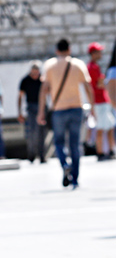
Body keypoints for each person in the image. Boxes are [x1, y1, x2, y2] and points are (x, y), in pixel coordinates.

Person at [37, 39, 95, 189]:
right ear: (69, 49)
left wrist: (41, 111)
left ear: (57, 50)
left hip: (58, 110)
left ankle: (64, 164)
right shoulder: (78, 64)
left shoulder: (49, 65)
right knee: (75, 144)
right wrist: (92, 108)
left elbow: (44, 90)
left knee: (59, 142)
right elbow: (88, 87)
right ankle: (75, 178)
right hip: (76, 108)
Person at [86, 42, 116, 160]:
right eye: (99, 52)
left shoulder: (92, 67)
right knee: (101, 128)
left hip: (102, 101)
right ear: (93, 54)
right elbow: (99, 84)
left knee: (108, 126)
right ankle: (100, 152)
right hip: (99, 101)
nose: (101, 54)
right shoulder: (93, 67)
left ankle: (109, 150)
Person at [17, 60, 47, 163]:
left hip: (42, 107)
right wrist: (19, 112)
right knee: (31, 133)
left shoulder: (43, 79)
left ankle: (42, 155)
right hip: (31, 108)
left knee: (42, 133)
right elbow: (20, 96)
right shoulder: (25, 80)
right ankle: (31, 155)